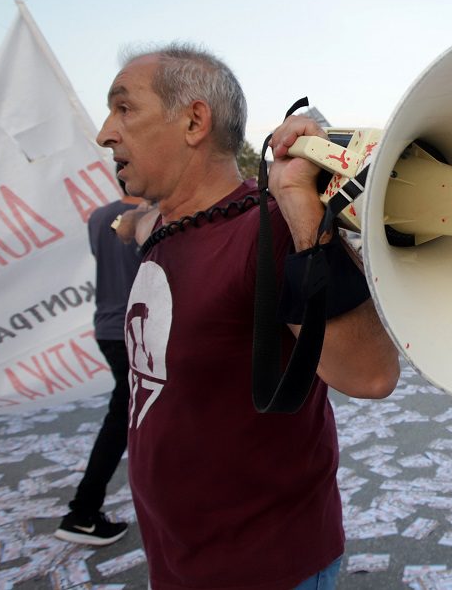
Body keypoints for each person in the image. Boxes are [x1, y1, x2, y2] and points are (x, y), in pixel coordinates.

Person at [95, 44, 399, 590]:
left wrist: (297, 198)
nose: (105, 132)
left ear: (194, 121)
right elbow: (135, 226)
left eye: (124, 109)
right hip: (179, 560)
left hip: (265, 568)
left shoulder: (272, 229)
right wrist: (129, 224)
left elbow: (371, 374)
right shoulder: (167, 223)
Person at [54, 171, 149, 546]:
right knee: (124, 418)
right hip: (138, 329)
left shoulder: (98, 216)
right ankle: (82, 510)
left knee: (134, 414)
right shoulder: (150, 219)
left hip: (108, 329)